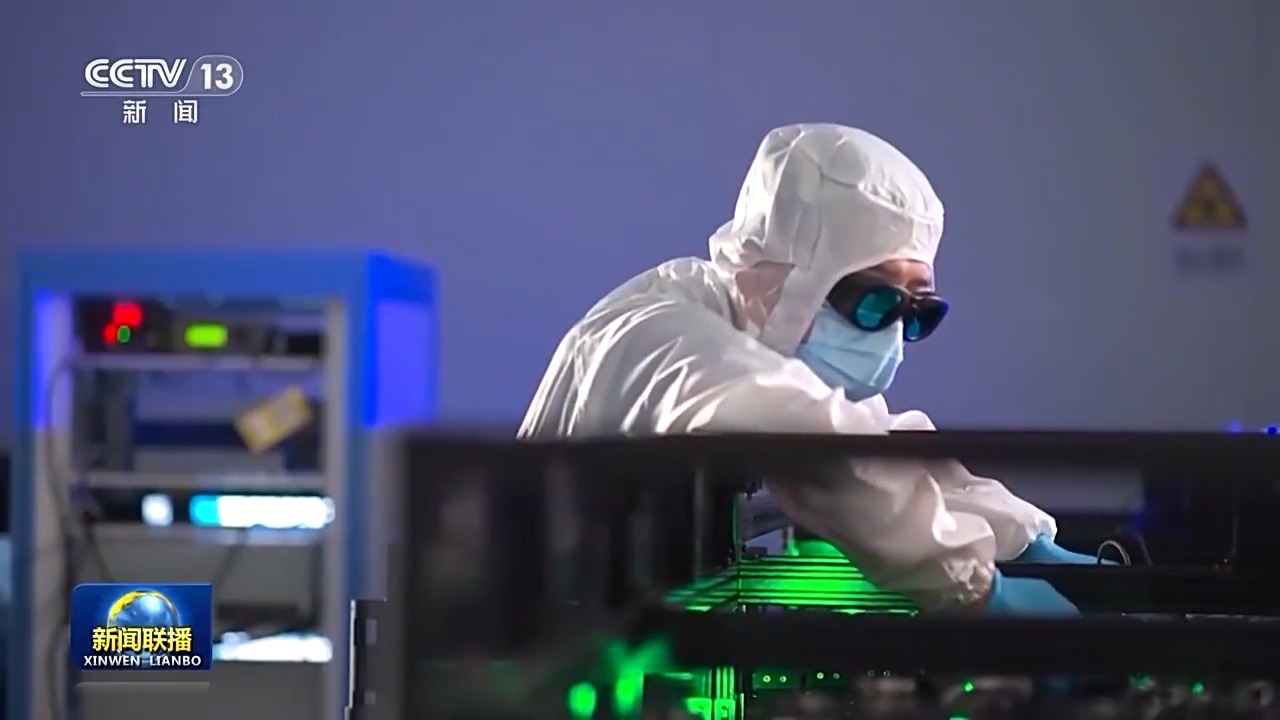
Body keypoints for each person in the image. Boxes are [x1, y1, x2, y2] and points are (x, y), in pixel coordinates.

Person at [519, 123, 1096, 615]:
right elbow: (806, 429)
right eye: (875, 302)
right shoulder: (659, 331)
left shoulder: (761, 343)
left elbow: (875, 446)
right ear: (789, 282)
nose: (892, 334)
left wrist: (1025, 542)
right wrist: (977, 590)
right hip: (529, 655)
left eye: (917, 311)